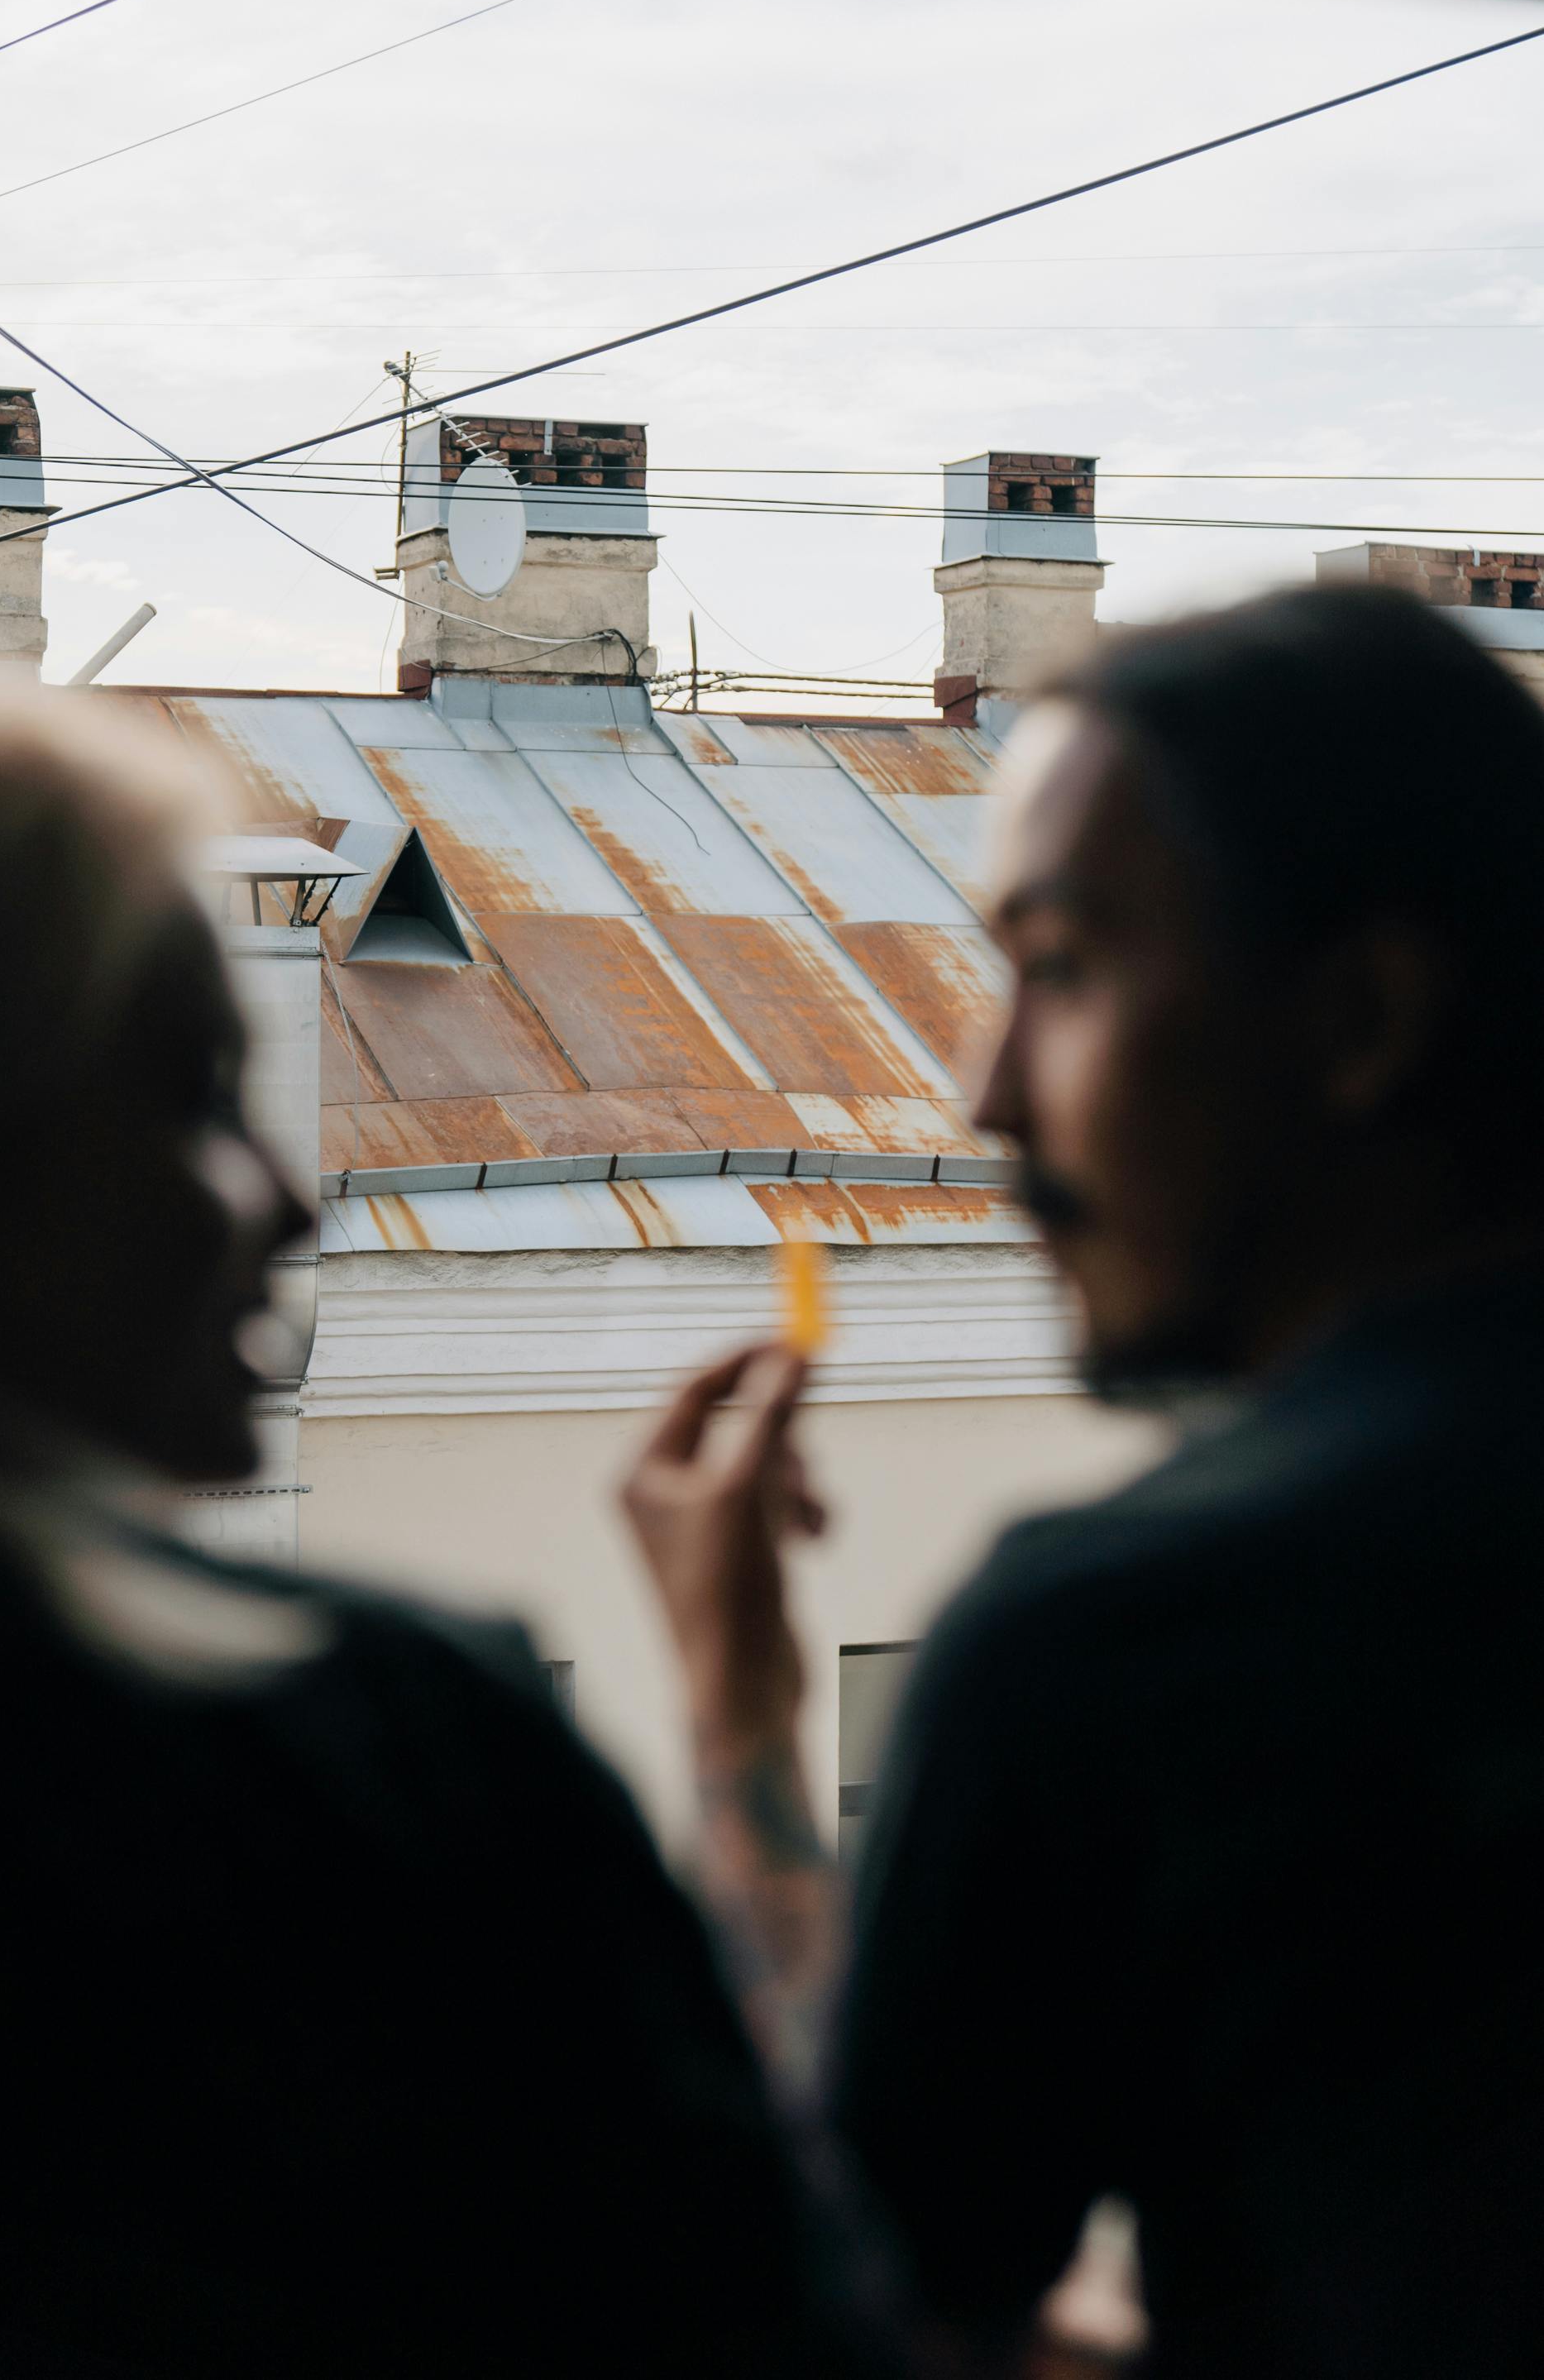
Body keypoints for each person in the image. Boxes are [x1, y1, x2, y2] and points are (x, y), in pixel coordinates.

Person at [0, 657, 886, 2380]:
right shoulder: (382, 1760)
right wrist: (743, 1722)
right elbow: (781, 2305)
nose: (289, 1192)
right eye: (197, 1095)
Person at [624, 581, 1544, 2380]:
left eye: (1058, 969)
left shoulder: (1139, 1642)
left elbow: (866, 2309)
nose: (983, 1092)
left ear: (1359, 1016)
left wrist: (737, 1717)